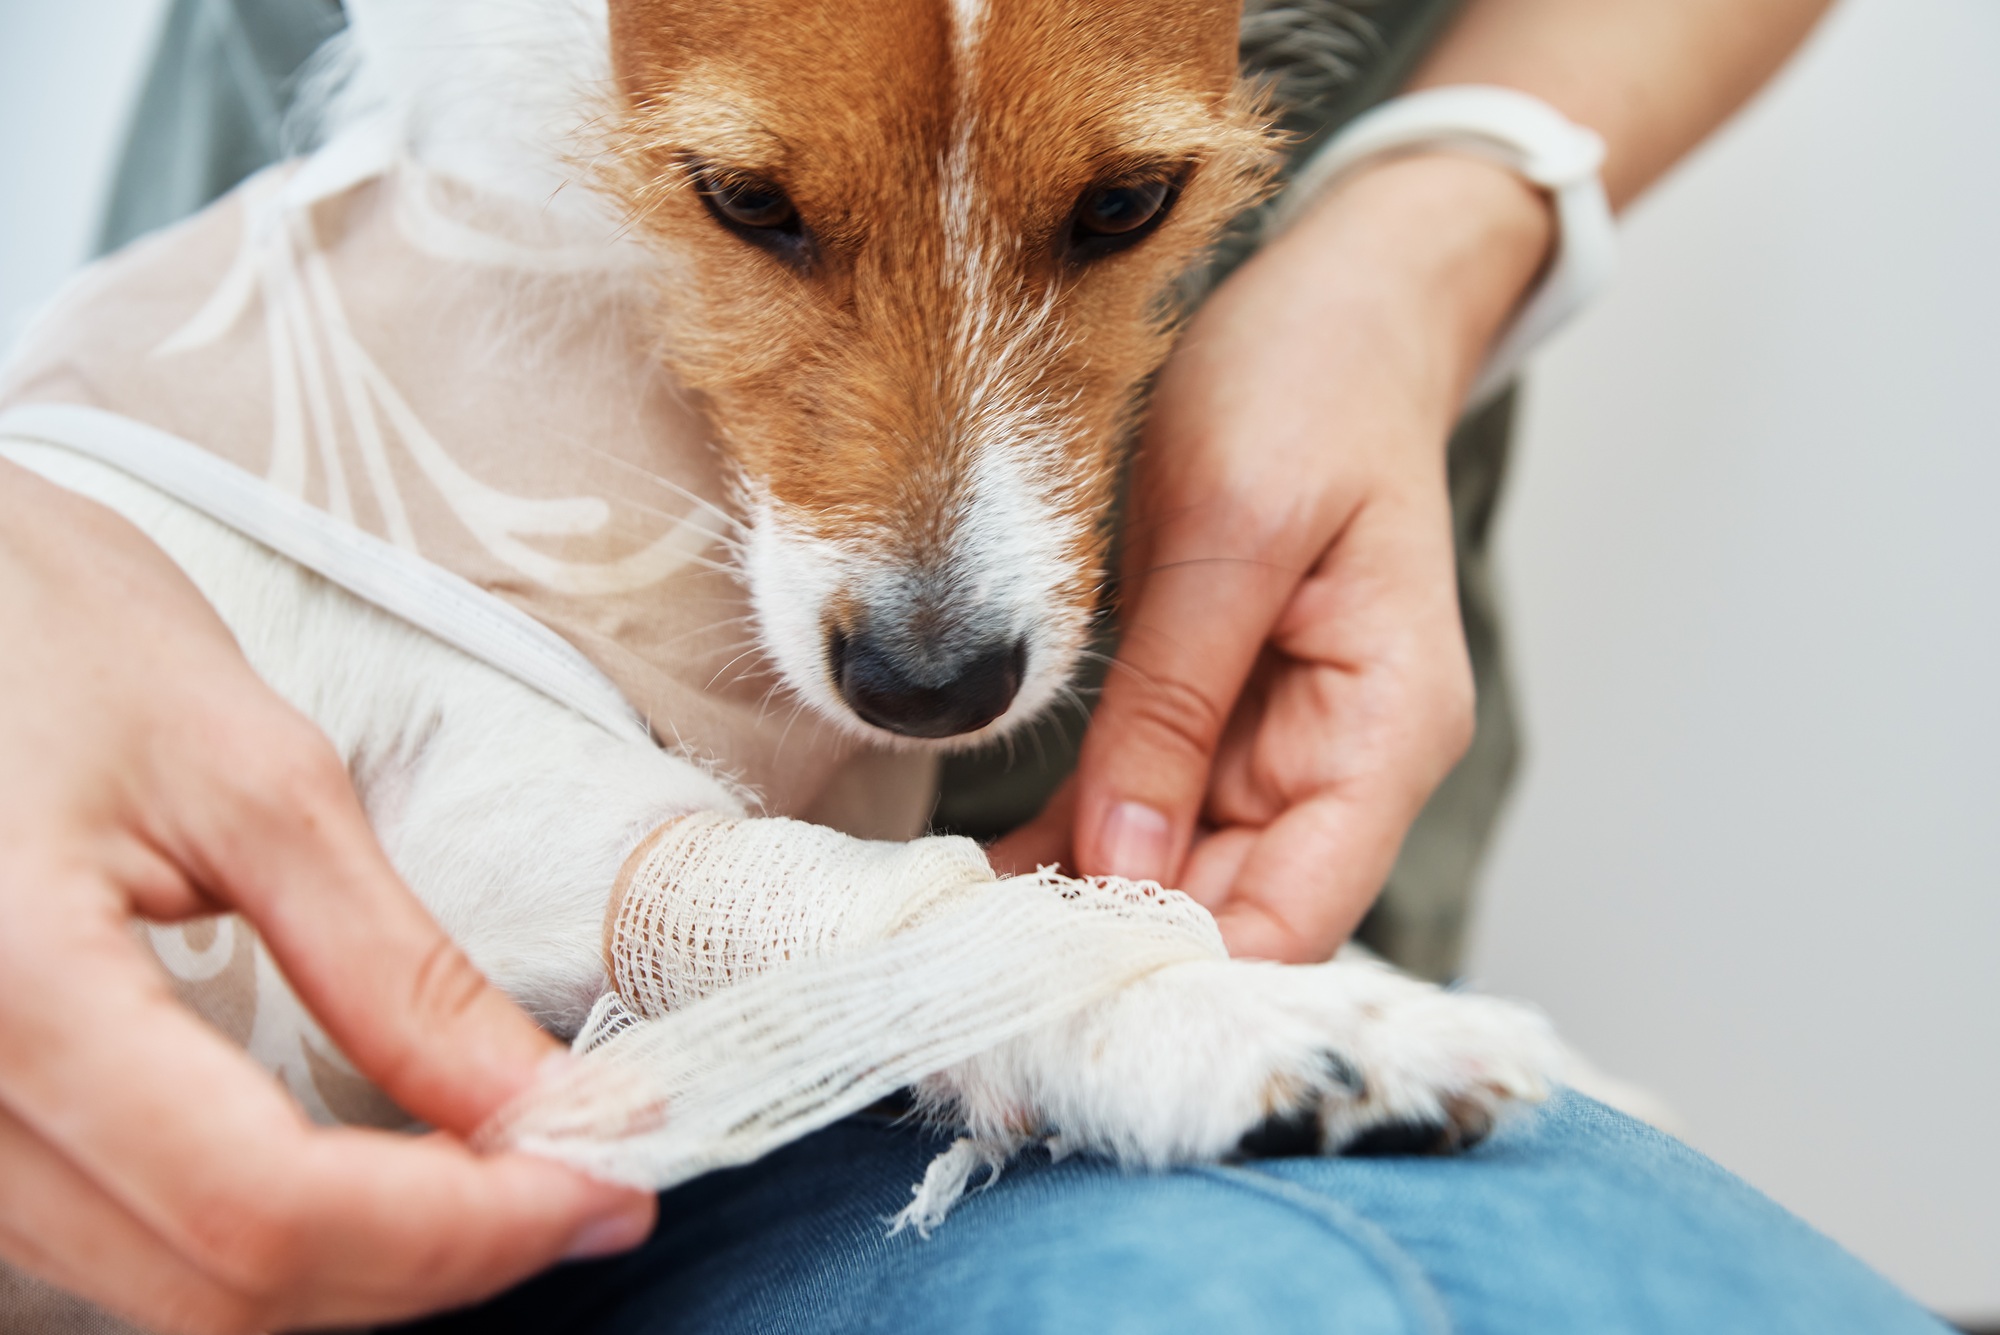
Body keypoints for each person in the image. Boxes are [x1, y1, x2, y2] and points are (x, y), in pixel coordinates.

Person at [0, 0, 1953, 1331]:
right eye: (760, 203)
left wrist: (1435, 225)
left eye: (1119, 204)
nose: (935, 590)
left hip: (1162, 873)